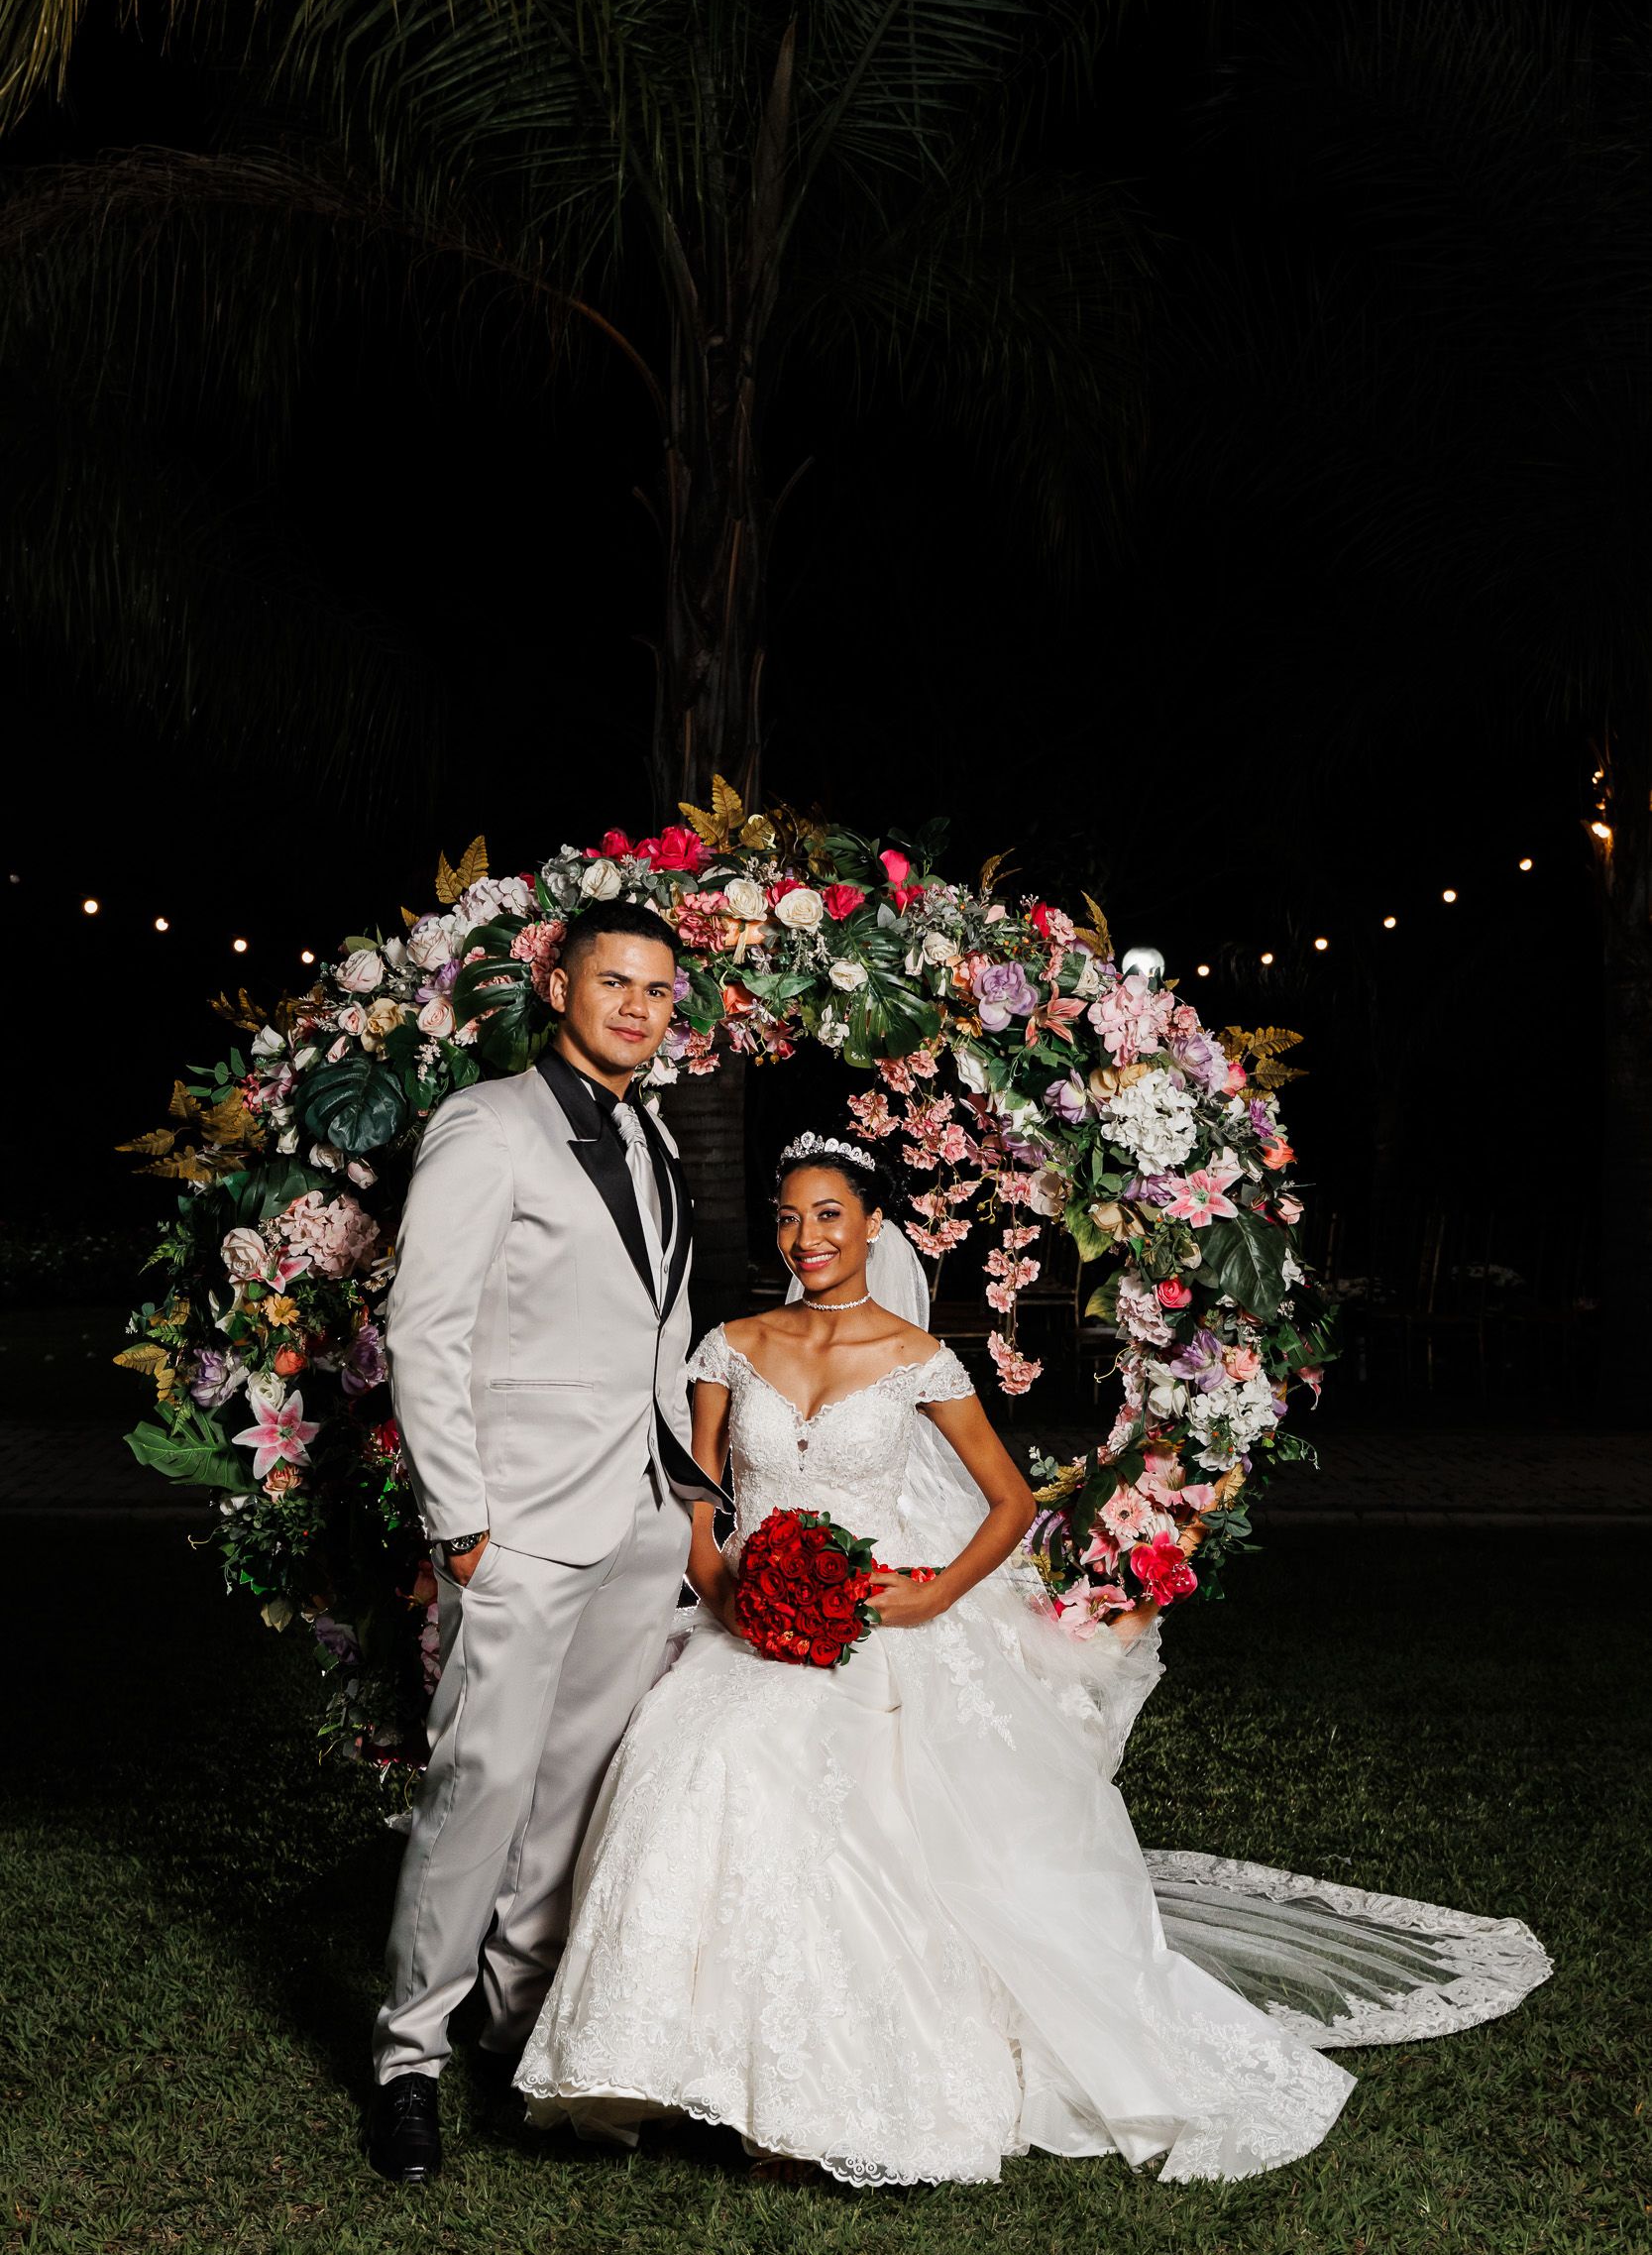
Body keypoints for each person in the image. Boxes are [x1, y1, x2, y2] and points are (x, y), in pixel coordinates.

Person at [512, 1132, 1551, 2187]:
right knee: (686, 1751)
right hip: (751, 1618)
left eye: (828, 1214)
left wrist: (927, 1595)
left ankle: (826, 2087)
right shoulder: (728, 1345)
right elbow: (697, 1497)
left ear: (873, 1225)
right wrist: (722, 1579)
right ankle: (654, 2057)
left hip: (879, 1626)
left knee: (829, 1782)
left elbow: (1008, 1504)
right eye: (787, 1216)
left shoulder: (917, 1360)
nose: (806, 1236)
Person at [367, 902, 726, 2183]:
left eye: (656, 987)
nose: (635, 1004)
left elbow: (659, 1330)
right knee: (481, 1786)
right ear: (557, 983)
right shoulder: (485, 1125)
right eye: (612, 980)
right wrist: (461, 1524)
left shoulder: (650, 1135)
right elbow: (425, 1330)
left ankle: (514, 2018)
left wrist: (683, 1496)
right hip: (515, 1524)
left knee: (572, 1791)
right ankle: (407, 2056)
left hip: (633, 1521)